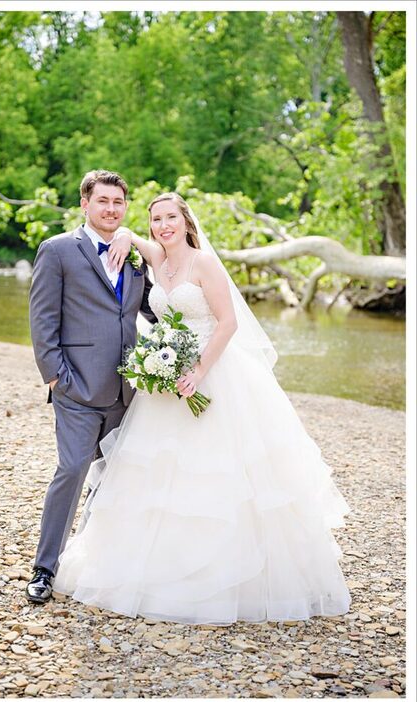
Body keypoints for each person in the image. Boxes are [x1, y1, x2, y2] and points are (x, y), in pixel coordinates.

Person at [52, 192, 352, 624]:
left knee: (221, 472)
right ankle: (153, 570)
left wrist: (196, 370)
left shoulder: (203, 263)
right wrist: (127, 233)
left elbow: (227, 322)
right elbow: (134, 238)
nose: (163, 225)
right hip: (167, 383)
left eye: (171, 217)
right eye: (156, 218)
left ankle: (230, 580)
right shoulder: (158, 258)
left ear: (186, 220)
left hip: (212, 372)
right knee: (154, 475)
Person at [26, 169, 156, 604]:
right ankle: (46, 567)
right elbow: (43, 321)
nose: (111, 209)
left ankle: (99, 563)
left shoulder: (134, 255)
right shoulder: (59, 250)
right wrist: (56, 376)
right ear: (85, 204)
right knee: (73, 470)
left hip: (127, 390)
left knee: (117, 477)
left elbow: (156, 309)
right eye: (103, 201)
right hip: (76, 389)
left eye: (118, 203)